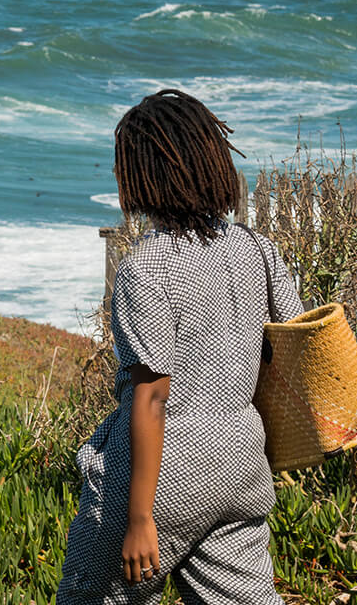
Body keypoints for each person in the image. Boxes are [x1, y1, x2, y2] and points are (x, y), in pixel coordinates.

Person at [57, 89, 304, 604]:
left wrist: (140, 518)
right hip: (240, 470)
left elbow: (152, 397)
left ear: (142, 178)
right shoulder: (255, 248)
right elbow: (298, 338)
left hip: (159, 482)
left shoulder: (146, 268)